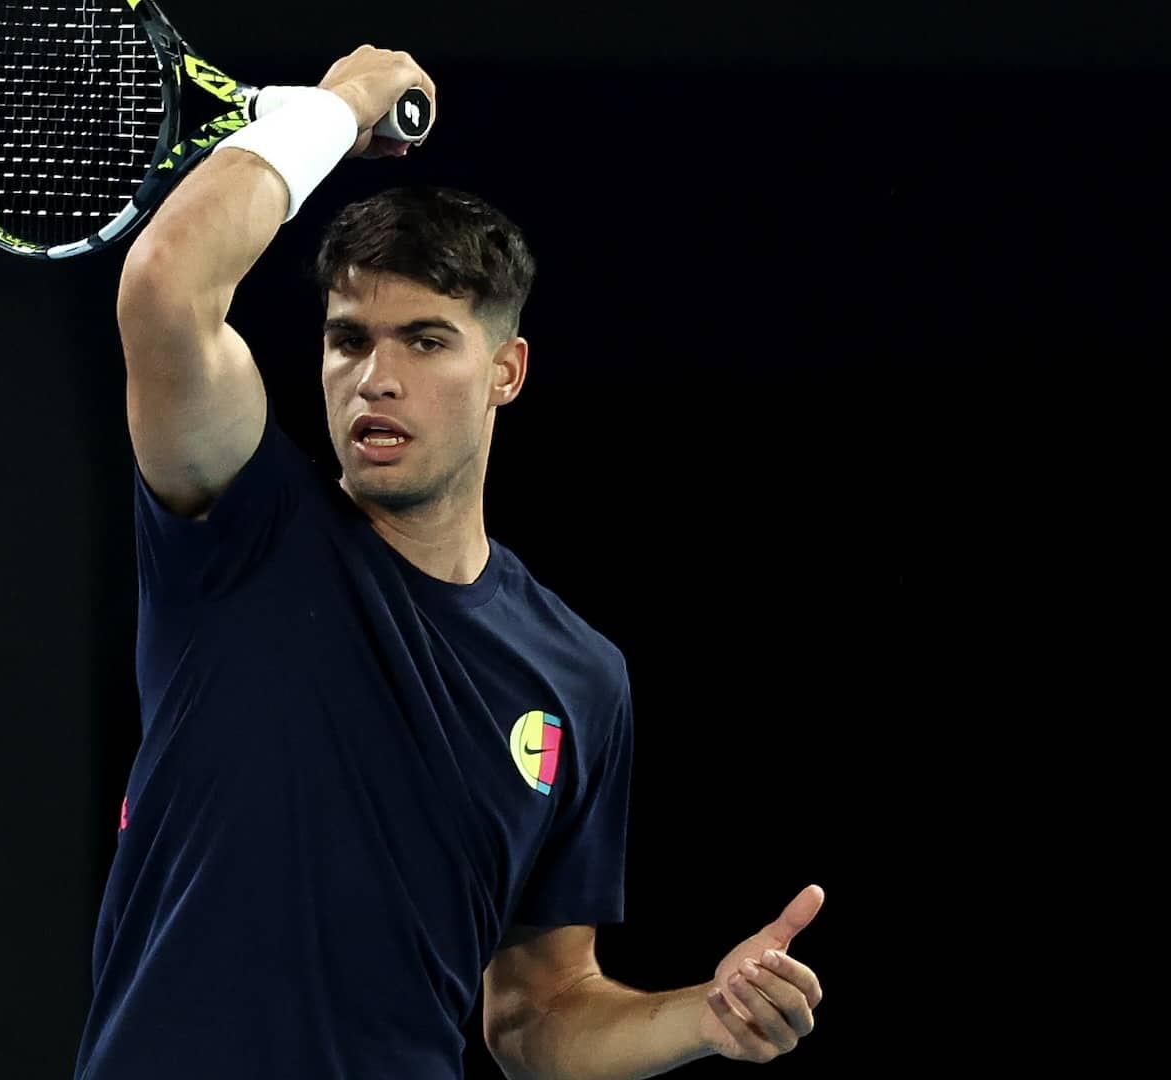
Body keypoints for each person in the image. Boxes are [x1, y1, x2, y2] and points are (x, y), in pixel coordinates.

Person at [74, 44, 825, 1080]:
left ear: (504, 372)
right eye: (348, 340)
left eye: (427, 341)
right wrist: (338, 110)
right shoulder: (239, 530)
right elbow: (165, 287)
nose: (376, 378)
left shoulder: (580, 679)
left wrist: (703, 1014)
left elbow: (540, 1016)